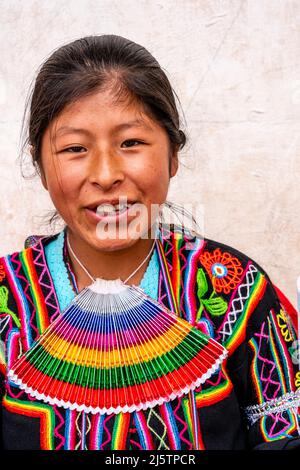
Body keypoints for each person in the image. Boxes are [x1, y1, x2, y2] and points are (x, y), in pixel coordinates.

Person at [0, 34, 299, 451]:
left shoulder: (233, 290)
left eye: (131, 143)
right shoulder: (5, 301)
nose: (105, 174)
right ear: (41, 168)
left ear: (174, 155)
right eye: (74, 148)